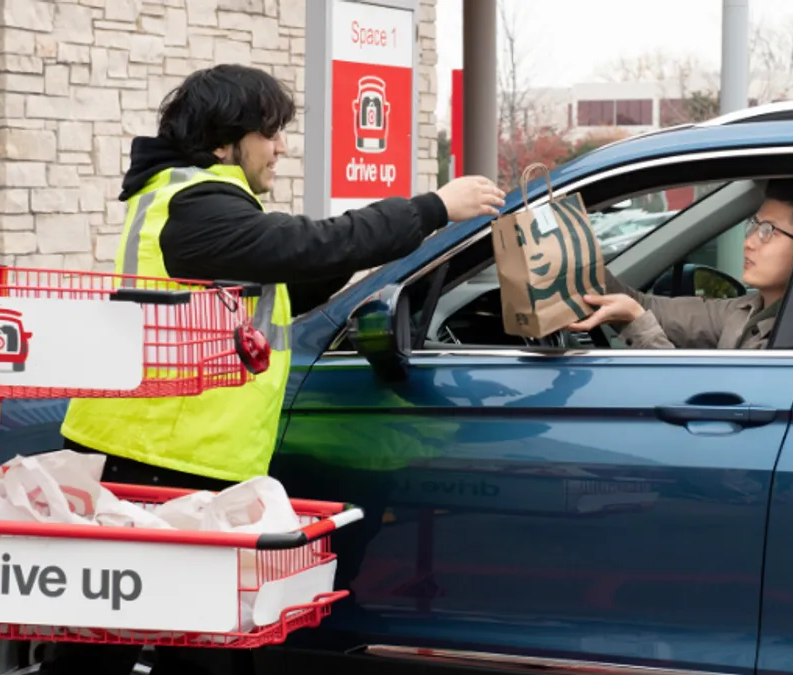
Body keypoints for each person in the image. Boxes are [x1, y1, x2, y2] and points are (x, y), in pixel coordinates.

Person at [43, 64, 504, 675]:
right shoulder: (195, 202)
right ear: (224, 139)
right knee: (109, 648)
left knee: (185, 641)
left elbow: (289, 276)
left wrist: (366, 252)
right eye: (271, 132)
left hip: (182, 458)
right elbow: (306, 244)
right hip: (150, 458)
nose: (282, 146)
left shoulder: (201, 204)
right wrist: (432, 208)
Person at [568, 178, 793, 350]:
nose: (748, 242)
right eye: (754, 225)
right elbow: (645, 305)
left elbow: (712, 407)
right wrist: (572, 254)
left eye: (767, 231)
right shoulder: (746, 310)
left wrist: (637, 323)